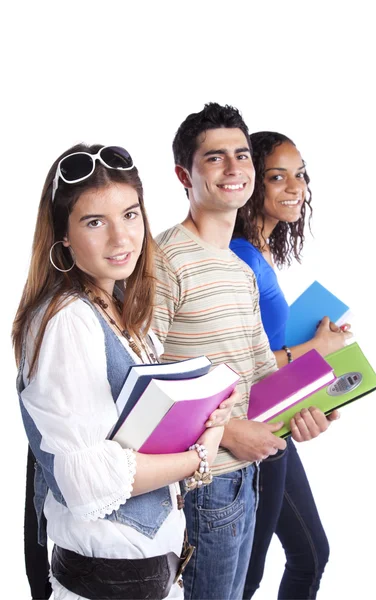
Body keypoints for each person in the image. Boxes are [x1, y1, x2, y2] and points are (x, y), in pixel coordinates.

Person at [13, 143, 236, 600]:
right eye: (95, 222)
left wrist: (204, 416)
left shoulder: (115, 309)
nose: (121, 239)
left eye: (130, 215)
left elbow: (128, 437)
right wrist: (201, 457)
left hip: (148, 579)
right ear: (64, 236)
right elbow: (85, 480)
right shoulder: (68, 321)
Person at [152, 103, 288, 600]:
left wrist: (310, 407)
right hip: (201, 486)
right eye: (215, 158)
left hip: (244, 480)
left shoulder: (239, 267)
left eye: (242, 154)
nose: (234, 169)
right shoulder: (162, 261)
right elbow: (139, 383)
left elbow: (259, 370)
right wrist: (232, 431)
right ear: (183, 175)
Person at [230, 131, 352, 599]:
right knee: (246, 575)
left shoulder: (259, 252)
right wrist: (314, 349)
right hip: (249, 432)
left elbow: (266, 345)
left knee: (311, 554)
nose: (294, 186)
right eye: (277, 176)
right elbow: (242, 363)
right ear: (250, 185)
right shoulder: (239, 256)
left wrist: (319, 364)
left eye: (299, 174)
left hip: (275, 423)